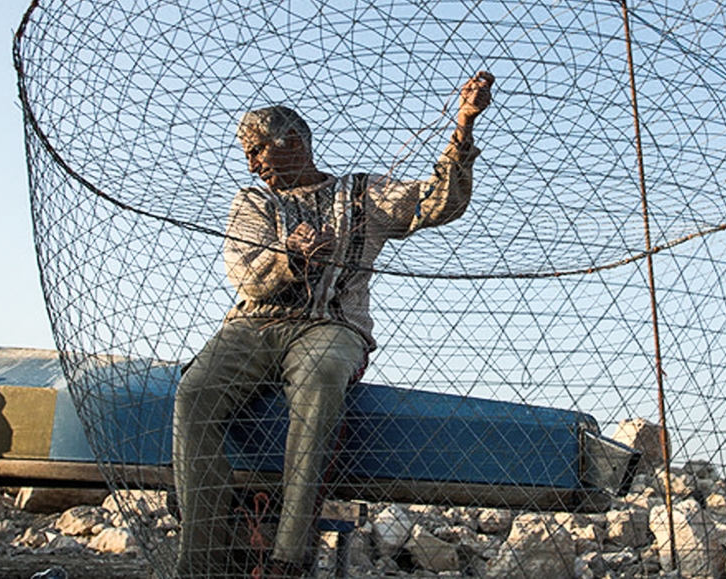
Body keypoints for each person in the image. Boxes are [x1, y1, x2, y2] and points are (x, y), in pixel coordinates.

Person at [173, 71, 494, 578]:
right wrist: (292, 255)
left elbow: (439, 202)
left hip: (332, 325)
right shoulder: (254, 201)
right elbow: (248, 276)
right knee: (194, 395)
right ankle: (201, 564)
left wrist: (464, 126)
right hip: (255, 325)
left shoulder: (363, 194)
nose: (251, 164)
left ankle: (288, 558)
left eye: (257, 150)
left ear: (292, 143)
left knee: (321, 377)